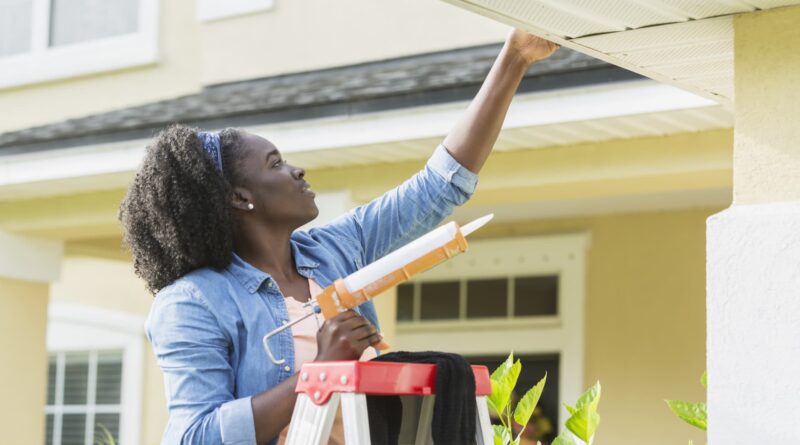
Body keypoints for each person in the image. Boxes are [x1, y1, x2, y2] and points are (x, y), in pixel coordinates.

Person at [119, 29, 559, 445]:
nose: (297, 170)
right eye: (275, 164)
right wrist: (321, 373)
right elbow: (194, 434)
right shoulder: (192, 302)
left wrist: (515, 57)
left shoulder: (335, 251)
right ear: (240, 197)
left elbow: (439, 186)